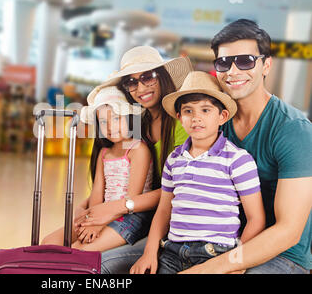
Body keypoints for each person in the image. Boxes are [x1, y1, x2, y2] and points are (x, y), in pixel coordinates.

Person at [179, 19, 311, 274]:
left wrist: (213, 268)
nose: (233, 71)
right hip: (214, 244)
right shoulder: (213, 121)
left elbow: (289, 231)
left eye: (246, 61)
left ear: (266, 65)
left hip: (282, 256)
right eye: (224, 62)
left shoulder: (293, 130)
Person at [130, 71, 266, 274]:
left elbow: (256, 219)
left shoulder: (238, 160)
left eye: (205, 110)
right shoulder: (174, 160)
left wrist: (236, 261)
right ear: (179, 117)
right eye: (188, 111)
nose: (196, 118)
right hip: (172, 252)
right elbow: (164, 211)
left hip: (216, 254)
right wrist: (149, 252)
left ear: (222, 116)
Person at [72, 46, 193, 273]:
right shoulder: (137, 124)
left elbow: (178, 188)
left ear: (163, 77)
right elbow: (117, 174)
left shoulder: (181, 124)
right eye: (132, 82)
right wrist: (86, 207)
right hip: (130, 210)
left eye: (148, 77)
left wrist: (118, 207)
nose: (140, 88)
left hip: (164, 220)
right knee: (61, 244)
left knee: (88, 259)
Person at [41, 86, 158, 251]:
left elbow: (133, 197)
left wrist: (98, 223)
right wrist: (91, 219)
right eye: (103, 122)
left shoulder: (138, 149)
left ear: (130, 118)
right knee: (49, 242)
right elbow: (97, 192)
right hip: (102, 212)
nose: (110, 127)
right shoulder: (104, 153)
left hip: (129, 216)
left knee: (77, 249)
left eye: (117, 119)